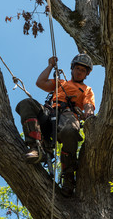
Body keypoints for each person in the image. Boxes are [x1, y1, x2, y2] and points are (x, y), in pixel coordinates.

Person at [15, 54, 95, 197]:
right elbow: (40, 82)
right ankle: (35, 148)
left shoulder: (86, 89)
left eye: (83, 70)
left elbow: (88, 105)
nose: (79, 71)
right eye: (77, 68)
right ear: (72, 69)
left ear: (86, 73)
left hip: (68, 114)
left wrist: (88, 114)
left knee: (70, 131)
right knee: (26, 104)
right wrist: (50, 65)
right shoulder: (61, 83)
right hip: (50, 111)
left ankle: (68, 175)